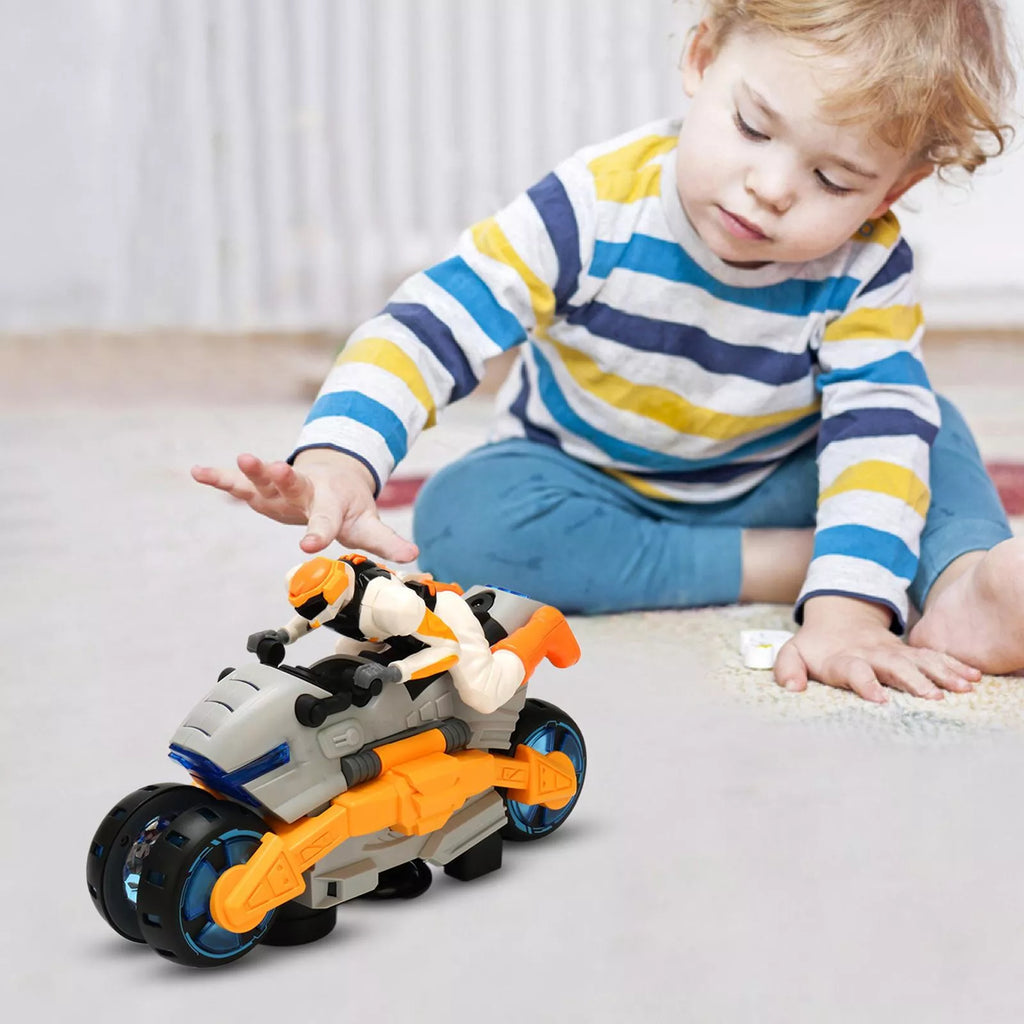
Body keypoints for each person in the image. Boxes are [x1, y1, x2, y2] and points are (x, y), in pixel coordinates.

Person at [193, 0, 1021, 705]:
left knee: (918, 427)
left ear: (895, 189)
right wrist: (342, 457)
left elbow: (874, 438)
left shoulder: (867, 264)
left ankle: (960, 585)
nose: (771, 187)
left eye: (836, 180)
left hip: (777, 474)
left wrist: (845, 612)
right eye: (752, 127)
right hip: (584, 478)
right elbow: (429, 323)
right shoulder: (591, 206)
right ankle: (814, 562)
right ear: (701, 59)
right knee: (462, 520)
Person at [249, 552, 580, 715]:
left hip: (440, 619)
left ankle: (543, 628)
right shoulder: (322, 594)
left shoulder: (390, 605)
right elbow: (315, 617)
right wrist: (282, 635)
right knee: (341, 660)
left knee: (483, 694)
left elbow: (448, 648)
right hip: (385, 625)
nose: (310, 617)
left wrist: (395, 671)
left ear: (338, 594)